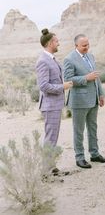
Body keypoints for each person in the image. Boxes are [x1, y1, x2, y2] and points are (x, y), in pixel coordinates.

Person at [63, 34, 105, 169]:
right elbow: (68, 79)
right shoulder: (69, 59)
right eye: (84, 46)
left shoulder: (91, 56)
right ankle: (79, 158)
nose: (86, 47)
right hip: (78, 101)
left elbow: (96, 77)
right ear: (76, 46)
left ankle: (95, 154)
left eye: (88, 45)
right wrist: (86, 78)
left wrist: (101, 94)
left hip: (93, 99)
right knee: (78, 130)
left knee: (93, 128)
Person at [36, 29, 73, 174]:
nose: (59, 44)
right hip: (50, 105)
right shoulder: (43, 61)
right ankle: (46, 171)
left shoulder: (51, 59)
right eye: (57, 41)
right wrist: (62, 87)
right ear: (50, 43)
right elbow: (44, 86)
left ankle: (51, 167)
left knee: (53, 137)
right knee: (50, 137)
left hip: (54, 104)